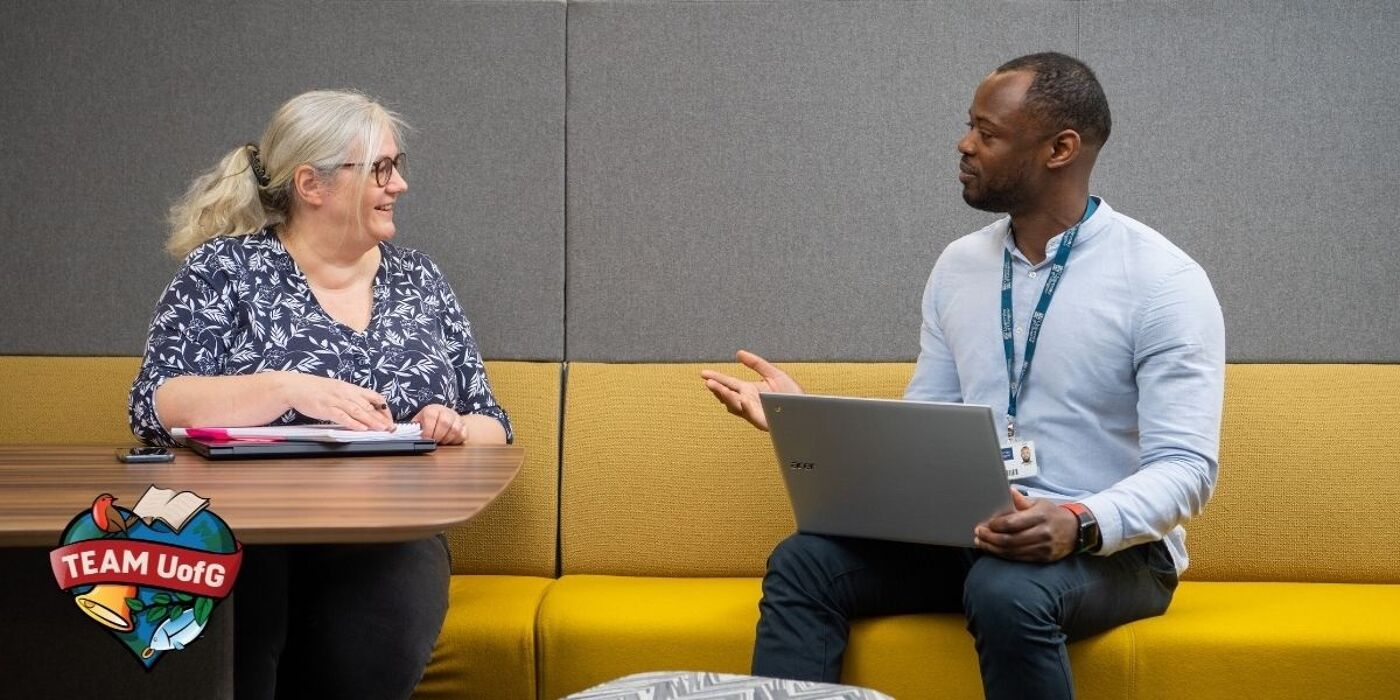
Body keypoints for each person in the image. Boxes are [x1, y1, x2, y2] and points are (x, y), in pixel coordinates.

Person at [701, 53, 1224, 699]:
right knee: (804, 561)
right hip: (972, 531)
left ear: (1059, 149)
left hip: (1113, 551)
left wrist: (1077, 520)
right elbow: (929, 424)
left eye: (987, 132)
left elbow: (1187, 467)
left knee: (1006, 589)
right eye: (970, 125)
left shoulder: (1164, 282)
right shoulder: (959, 265)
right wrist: (804, 421)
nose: (965, 143)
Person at [128, 90, 513, 699]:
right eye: (380, 169)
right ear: (312, 184)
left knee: (371, 649)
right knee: (239, 641)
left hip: (387, 534)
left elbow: (493, 424)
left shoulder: (419, 278)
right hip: (247, 530)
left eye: (397, 165)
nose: (399, 184)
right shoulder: (223, 269)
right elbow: (155, 402)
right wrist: (288, 388)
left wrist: (452, 426)